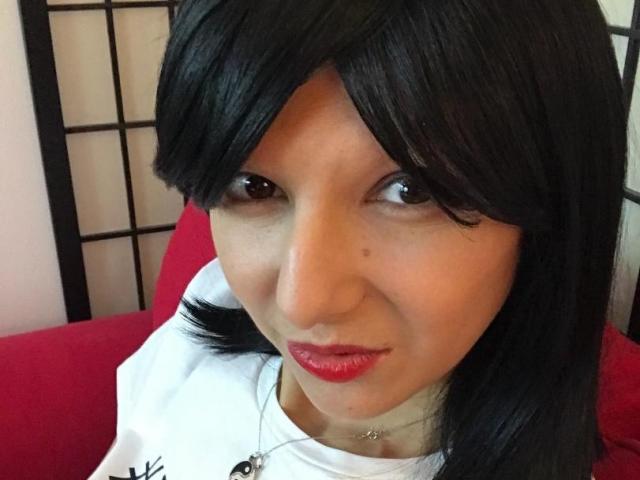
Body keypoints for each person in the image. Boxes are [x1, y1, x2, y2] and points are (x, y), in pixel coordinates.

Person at [89, 0, 635, 479]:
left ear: (551, 212)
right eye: (254, 187)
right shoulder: (206, 313)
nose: (301, 302)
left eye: (410, 191)